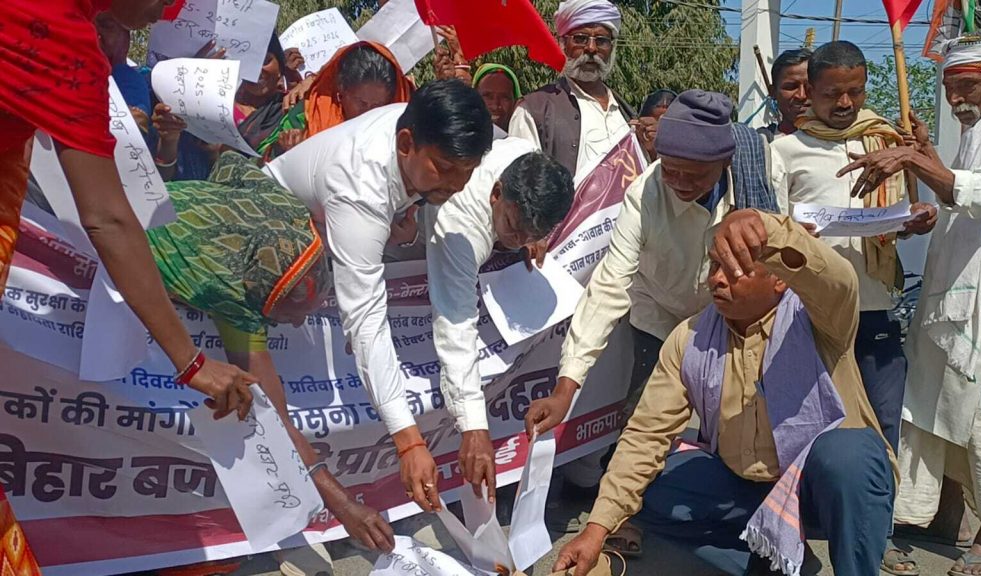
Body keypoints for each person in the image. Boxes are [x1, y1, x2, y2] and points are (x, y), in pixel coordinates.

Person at [554, 208, 896, 576]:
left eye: (735, 268)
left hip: (823, 489)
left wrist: (769, 230)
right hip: (747, 490)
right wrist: (597, 529)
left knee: (848, 456)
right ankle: (772, 564)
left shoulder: (821, 319)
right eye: (715, 265)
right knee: (655, 489)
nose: (717, 279)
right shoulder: (691, 338)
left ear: (779, 280)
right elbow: (646, 436)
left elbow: (837, 279)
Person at [525, 91, 780, 506]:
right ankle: (629, 514)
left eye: (695, 176)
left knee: (744, 419)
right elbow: (609, 287)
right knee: (643, 419)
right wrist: (565, 390)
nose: (679, 183)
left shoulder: (758, 176)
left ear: (724, 163)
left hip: (733, 316)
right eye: (670, 171)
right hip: (659, 314)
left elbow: (786, 254)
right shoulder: (645, 192)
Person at [0, 0, 254, 416]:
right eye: (166, 0)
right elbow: (108, 218)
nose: (168, 14)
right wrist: (192, 362)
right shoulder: (65, 41)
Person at [839, 31, 981, 576]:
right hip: (950, 288)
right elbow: (956, 194)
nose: (955, 99)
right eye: (948, 87)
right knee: (932, 405)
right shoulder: (980, 126)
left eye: (966, 86)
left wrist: (910, 159)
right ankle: (943, 514)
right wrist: (927, 161)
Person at [146, 152, 396, 554]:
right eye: (289, 316)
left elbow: (229, 160)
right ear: (259, 301)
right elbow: (274, 418)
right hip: (117, 247)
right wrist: (344, 505)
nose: (297, 325)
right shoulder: (231, 296)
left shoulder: (284, 208)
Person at [262, 80, 493, 513]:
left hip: (323, 243)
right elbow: (366, 322)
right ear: (406, 144)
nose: (458, 186)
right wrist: (409, 442)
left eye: (468, 172)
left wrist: (472, 420)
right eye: (445, 169)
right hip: (272, 248)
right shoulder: (360, 185)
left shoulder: (425, 141)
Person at [770, 41, 937, 452]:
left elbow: (899, 223)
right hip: (810, 314)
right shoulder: (785, 151)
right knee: (813, 426)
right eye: (833, 94)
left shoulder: (885, 142)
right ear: (810, 91)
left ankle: (880, 494)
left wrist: (915, 220)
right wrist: (795, 235)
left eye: (855, 92)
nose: (845, 103)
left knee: (882, 425)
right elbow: (772, 230)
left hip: (875, 307)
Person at [429, 139, 574, 502]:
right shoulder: (463, 226)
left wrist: (530, 234)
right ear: (496, 194)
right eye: (512, 225)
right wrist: (474, 428)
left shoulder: (525, 157)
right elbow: (456, 326)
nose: (520, 240)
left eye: (533, 233)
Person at [508, 0, 635, 178]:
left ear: (612, 48)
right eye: (580, 39)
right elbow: (521, 184)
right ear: (563, 44)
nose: (591, 48)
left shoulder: (626, 113)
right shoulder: (533, 109)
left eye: (601, 41)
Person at [151, 33, 292, 180]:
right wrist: (169, 138)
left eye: (266, 61)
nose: (257, 71)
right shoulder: (207, 106)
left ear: (281, 66)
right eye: (249, 64)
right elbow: (164, 176)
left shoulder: (291, 109)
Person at [266, 41, 411, 158]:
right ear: (341, 89)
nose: (368, 112)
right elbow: (260, 163)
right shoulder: (307, 113)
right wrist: (283, 148)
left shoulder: (395, 127)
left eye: (377, 106)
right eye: (361, 103)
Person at [761, 48, 811, 141]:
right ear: (773, 92)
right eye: (791, 87)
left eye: (809, 87)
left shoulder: (836, 144)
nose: (801, 95)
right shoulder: (758, 144)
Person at [472, 64, 523, 133]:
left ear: (516, 103)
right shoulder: (460, 137)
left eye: (504, 97)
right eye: (487, 96)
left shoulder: (527, 139)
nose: (495, 106)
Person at [632, 89, 676, 160]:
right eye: (655, 120)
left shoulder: (683, 147)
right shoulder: (633, 135)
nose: (656, 127)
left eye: (665, 123)